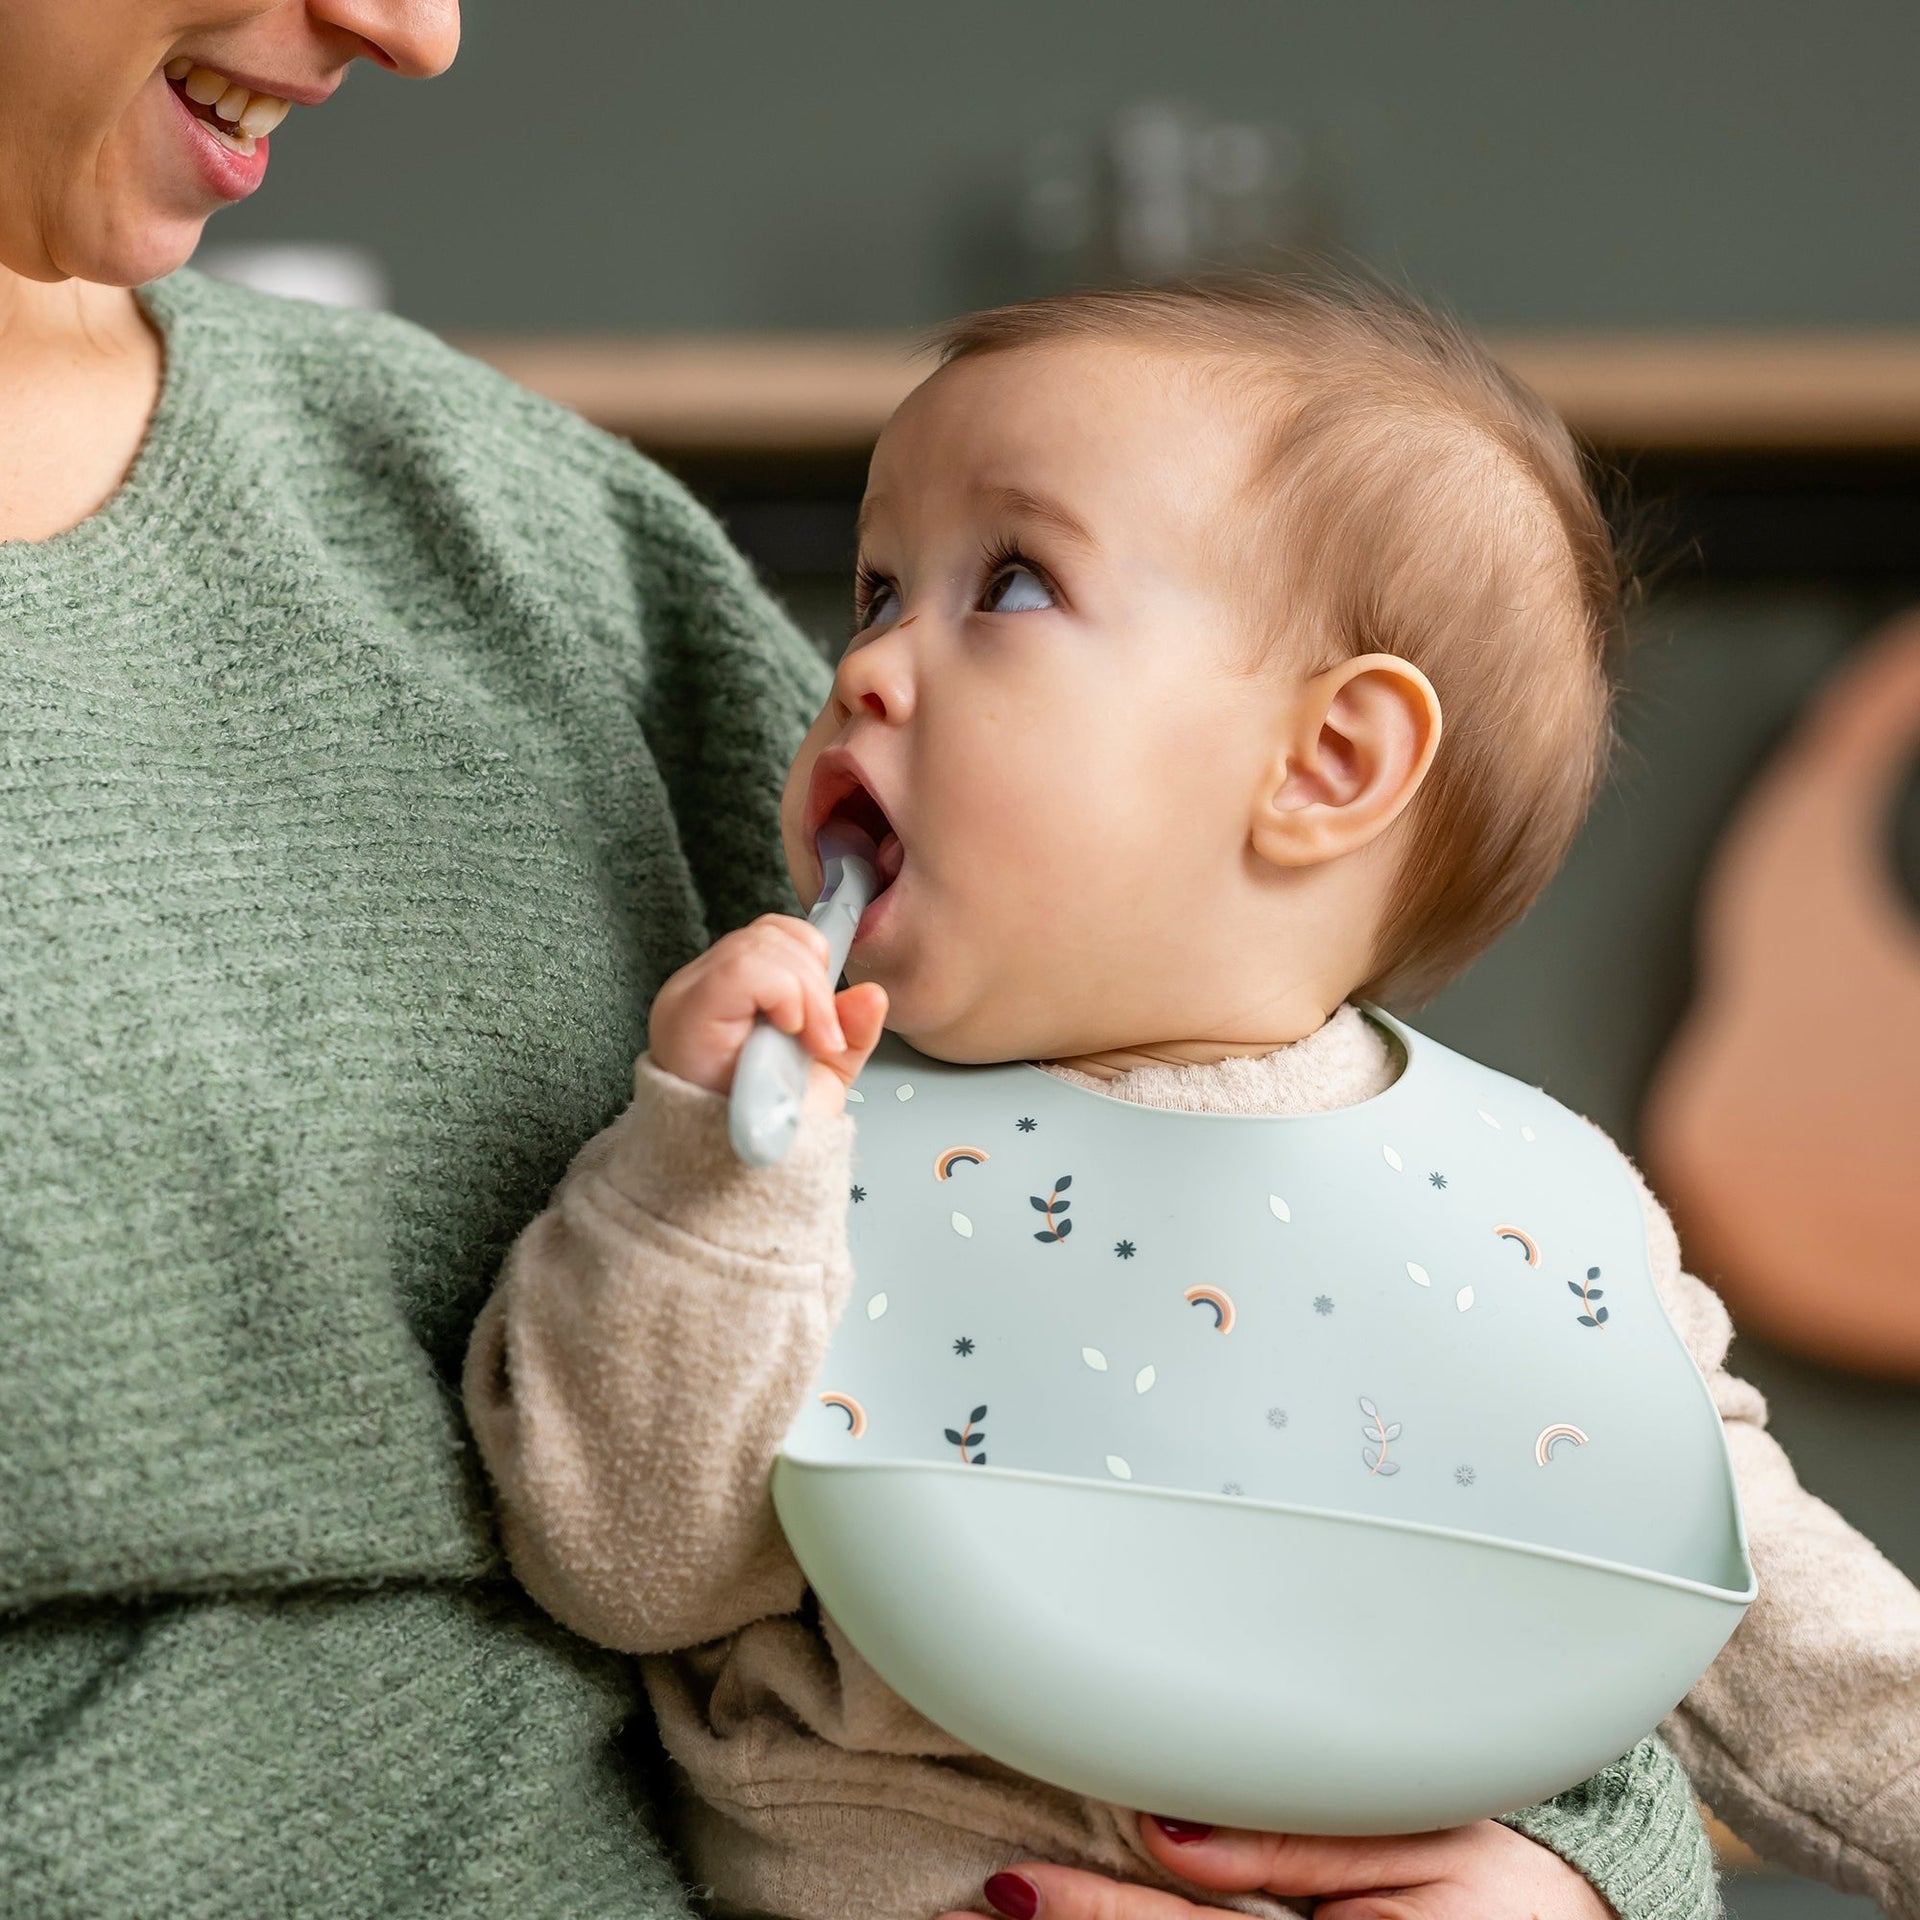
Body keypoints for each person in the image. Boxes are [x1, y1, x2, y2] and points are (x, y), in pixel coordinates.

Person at [464, 278, 1918, 1920]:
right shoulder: (787, 1137)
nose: (865, 667)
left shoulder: (1528, 1202)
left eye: (1007, 583)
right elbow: (626, 1566)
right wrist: (707, 1175)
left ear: (1330, 764)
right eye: (877, 591)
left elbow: (1747, 1598)